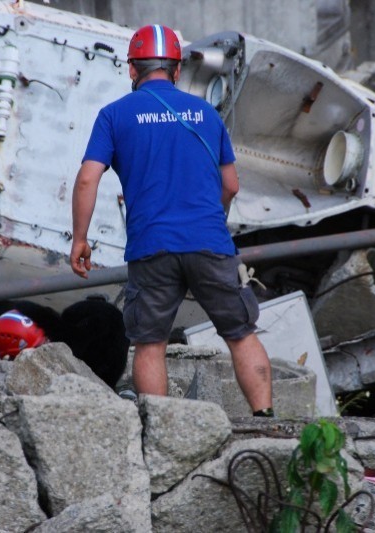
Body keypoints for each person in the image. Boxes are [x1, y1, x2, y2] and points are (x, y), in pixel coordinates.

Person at [70, 24, 274, 417]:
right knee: (241, 333)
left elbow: (86, 179)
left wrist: (80, 238)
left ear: (133, 70)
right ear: (177, 71)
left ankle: (164, 430)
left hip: (152, 248)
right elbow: (230, 185)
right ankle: (266, 420)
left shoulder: (113, 116)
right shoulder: (208, 116)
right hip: (210, 242)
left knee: (150, 343)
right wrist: (213, 225)